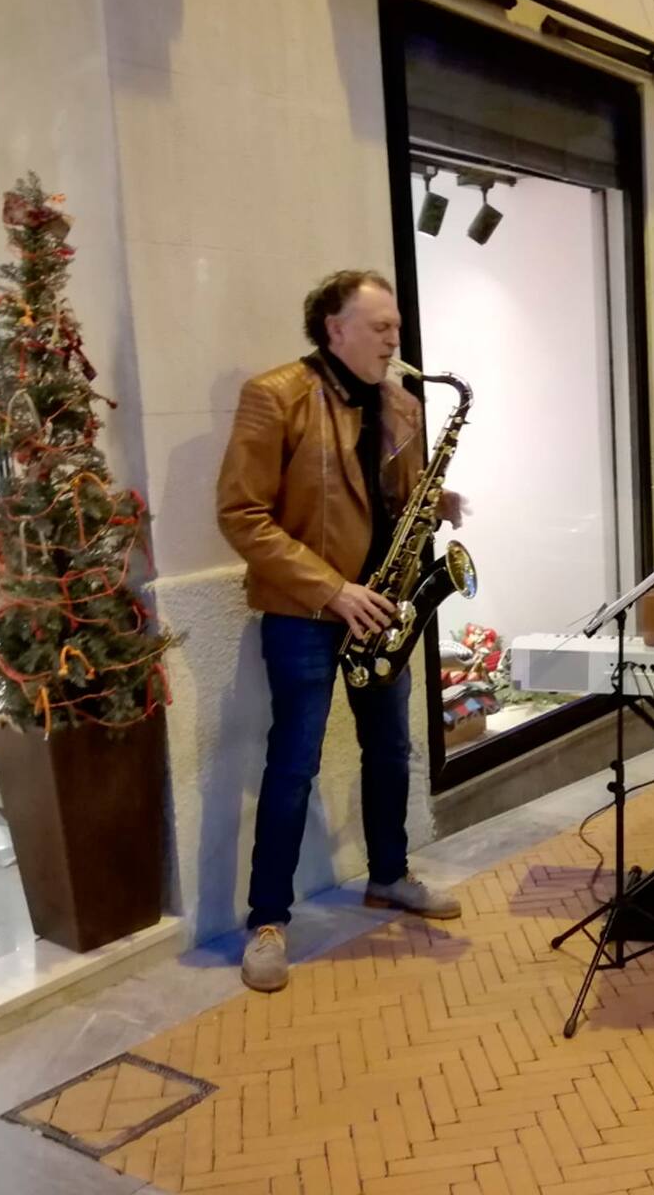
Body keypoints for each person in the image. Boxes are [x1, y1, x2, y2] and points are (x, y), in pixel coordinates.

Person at [217, 269, 465, 993]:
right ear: (334, 328)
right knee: (293, 764)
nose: (395, 339)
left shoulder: (400, 404)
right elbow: (241, 515)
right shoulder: (276, 396)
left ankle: (389, 874)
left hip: (383, 608)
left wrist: (434, 499)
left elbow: (391, 498)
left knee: (391, 748)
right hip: (305, 615)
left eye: (395, 327)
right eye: (380, 326)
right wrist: (331, 589)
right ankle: (269, 921)